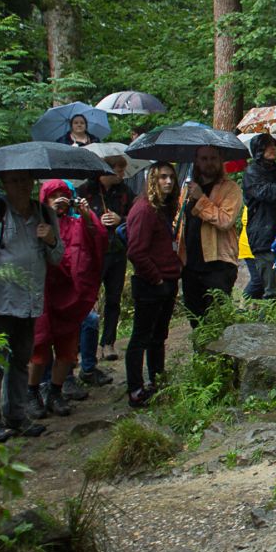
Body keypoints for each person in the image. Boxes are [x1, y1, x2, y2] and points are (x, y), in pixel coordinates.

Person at [0, 170, 63, 439]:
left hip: (30, 301)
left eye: (25, 180)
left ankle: (16, 415)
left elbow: (57, 257)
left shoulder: (45, 214)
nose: (21, 186)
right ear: (4, 184)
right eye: (15, 180)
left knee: (21, 360)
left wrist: (51, 240)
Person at [28, 181, 107, 417]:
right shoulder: (36, 226)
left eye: (64, 195)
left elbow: (98, 239)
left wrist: (88, 215)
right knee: (39, 349)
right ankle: (32, 393)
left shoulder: (77, 224)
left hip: (70, 297)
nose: (60, 200)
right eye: (54, 197)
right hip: (43, 297)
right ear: (44, 201)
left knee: (67, 350)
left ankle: (56, 391)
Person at [126, 163, 181, 407]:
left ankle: (157, 381)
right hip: (150, 283)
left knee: (158, 336)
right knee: (141, 337)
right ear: (152, 181)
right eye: (162, 178)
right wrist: (156, 278)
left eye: (171, 177)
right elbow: (136, 251)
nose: (168, 182)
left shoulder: (163, 208)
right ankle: (135, 389)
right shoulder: (144, 209)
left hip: (167, 279)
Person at [175, 144, 244, 328]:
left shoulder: (231, 188)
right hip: (191, 265)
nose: (209, 163)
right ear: (196, 161)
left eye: (213, 158)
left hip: (218, 265)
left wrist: (201, 199)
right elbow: (180, 221)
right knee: (196, 321)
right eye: (204, 159)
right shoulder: (188, 189)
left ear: (221, 160)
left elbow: (225, 220)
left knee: (217, 322)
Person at [78, 155, 133, 381]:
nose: (121, 172)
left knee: (113, 297)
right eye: (118, 168)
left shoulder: (125, 192)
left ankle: (108, 342)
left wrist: (121, 219)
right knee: (86, 299)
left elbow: (135, 216)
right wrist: (93, 221)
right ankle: (83, 346)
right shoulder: (86, 191)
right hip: (93, 252)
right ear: (105, 169)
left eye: (122, 168)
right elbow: (74, 218)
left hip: (117, 251)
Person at [241, 133, 276, 300]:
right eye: (268, 146)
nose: (273, 148)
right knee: (272, 290)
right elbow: (268, 193)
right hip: (263, 236)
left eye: (274, 145)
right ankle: (247, 313)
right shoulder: (252, 172)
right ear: (259, 149)